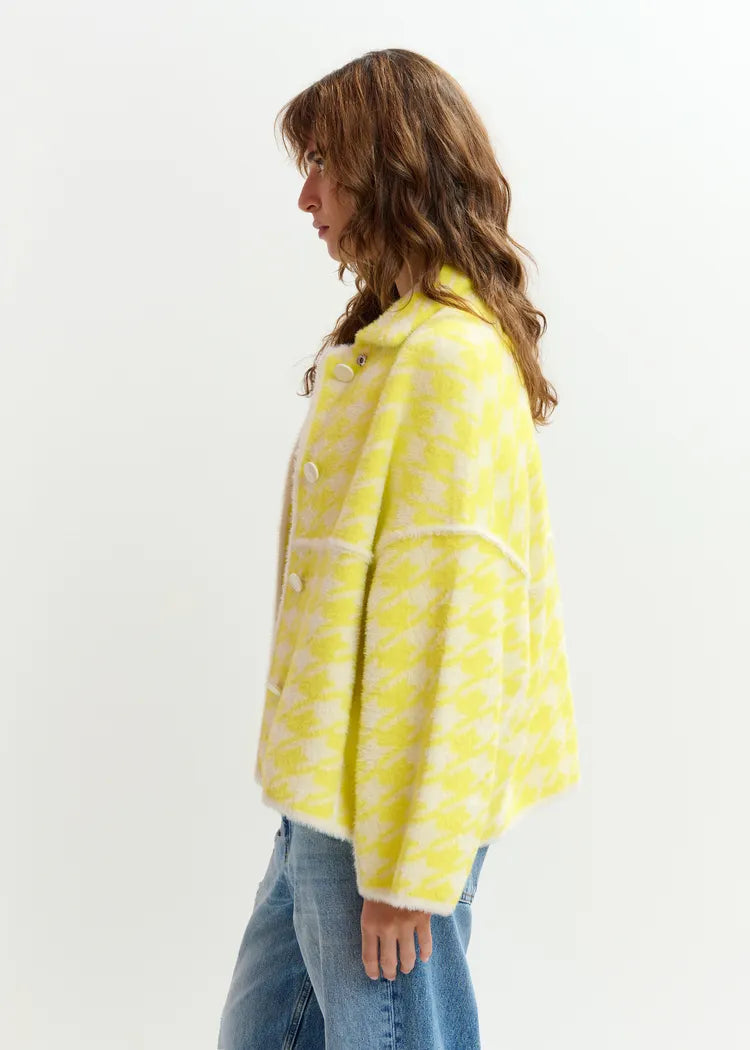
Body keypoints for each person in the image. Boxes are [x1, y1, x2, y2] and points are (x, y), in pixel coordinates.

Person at [217, 48, 581, 1050]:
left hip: (383, 821)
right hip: (332, 797)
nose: (306, 197)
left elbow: (454, 634)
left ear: (389, 169)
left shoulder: (446, 363)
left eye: (323, 164)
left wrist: (411, 872)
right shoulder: (396, 344)